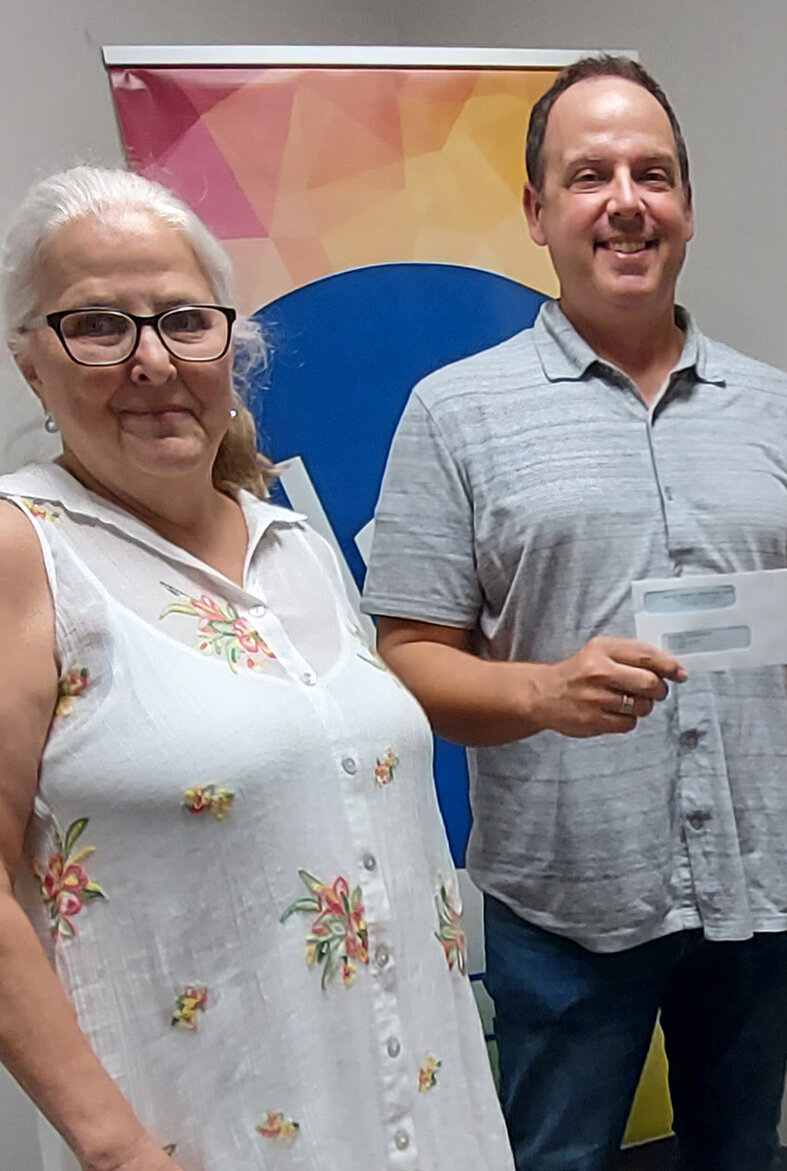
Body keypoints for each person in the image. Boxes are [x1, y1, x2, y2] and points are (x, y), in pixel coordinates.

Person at [362, 55, 787, 1171]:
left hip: (755, 901)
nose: (626, 199)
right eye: (589, 175)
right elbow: (408, 660)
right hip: (567, 901)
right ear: (536, 211)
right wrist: (543, 690)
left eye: (652, 173)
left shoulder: (785, 412)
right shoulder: (453, 412)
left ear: (687, 207)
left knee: (739, 1155)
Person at [0, 166, 513, 1171]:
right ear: (31, 362)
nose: (152, 360)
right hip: (203, 1138)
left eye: (184, 320)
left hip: (422, 1117)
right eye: (99, 326)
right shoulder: (29, 554)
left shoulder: (295, 544)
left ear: (231, 346)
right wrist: (116, 1151)